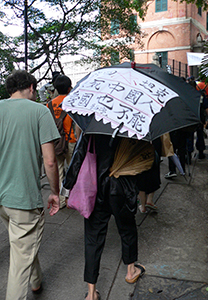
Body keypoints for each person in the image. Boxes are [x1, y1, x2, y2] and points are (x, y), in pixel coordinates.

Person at [61, 134, 145, 300]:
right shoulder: (132, 128)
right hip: (123, 188)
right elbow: (145, 160)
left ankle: (91, 293)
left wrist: (67, 187)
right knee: (127, 229)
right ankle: (131, 271)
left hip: (96, 188)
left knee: (93, 238)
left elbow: (78, 156)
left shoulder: (93, 126)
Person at [0, 70, 60, 300]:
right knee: (20, 258)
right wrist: (55, 192)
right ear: (32, 88)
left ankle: (36, 281)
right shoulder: (39, 111)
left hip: (2, 197)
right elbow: (50, 161)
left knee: (23, 242)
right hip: (23, 196)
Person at [47, 75, 82, 208]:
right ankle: (73, 198)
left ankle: (61, 201)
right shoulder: (73, 101)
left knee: (58, 170)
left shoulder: (49, 104)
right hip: (71, 140)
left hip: (56, 142)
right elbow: (77, 124)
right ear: (69, 88)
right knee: (74, 170)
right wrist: (79, 138)